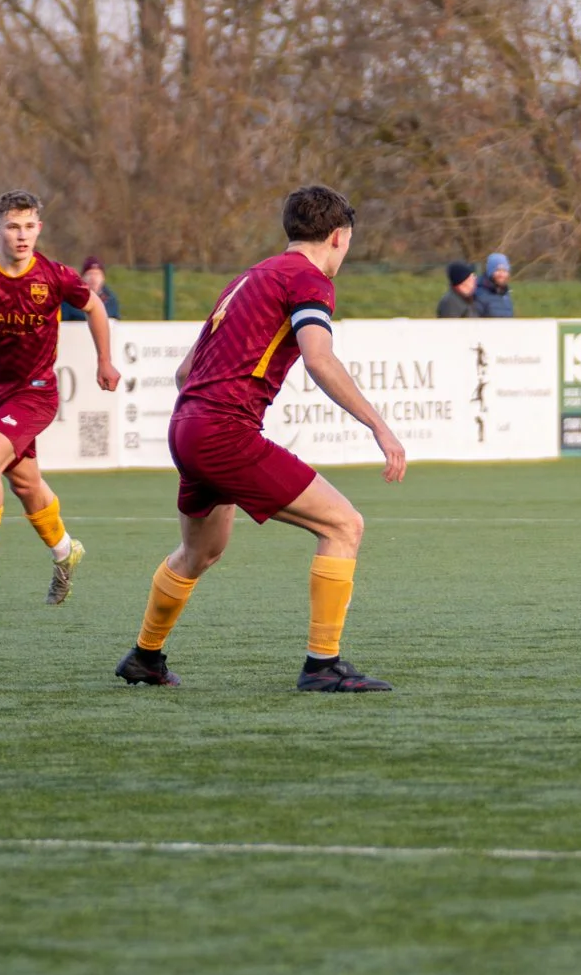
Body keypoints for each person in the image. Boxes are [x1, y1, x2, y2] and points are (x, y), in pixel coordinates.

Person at [114, 185, 408, 692]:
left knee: (200, 552)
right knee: (344, 525)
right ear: (339, 237)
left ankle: (144, 657)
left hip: (186, 426)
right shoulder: (309, 280)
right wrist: (379, 426)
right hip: (223, 430)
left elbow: (184, 373)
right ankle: (322, 666)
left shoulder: (248, 278)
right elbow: (319, 358)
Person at [0, 190, 121, 605]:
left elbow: (95, 308)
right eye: (13, 227)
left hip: (36, 392)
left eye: (29, 226)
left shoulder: (54, 274)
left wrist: (104, 360)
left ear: (39, 228)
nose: (22, 235)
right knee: (26, 485)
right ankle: (66, 551)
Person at [61, 257, 122, 322]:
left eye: (97, 274)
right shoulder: (70, 300)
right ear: (82, 277)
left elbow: (115, 322)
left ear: (103, 278)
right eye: (90, 274)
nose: (93, 278)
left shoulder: (111, 299)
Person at [474, 252, 516, 317]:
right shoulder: (479, 294)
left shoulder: (506, 295)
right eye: (498, 270)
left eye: (505, 271)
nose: (502, 275)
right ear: (490, 272)